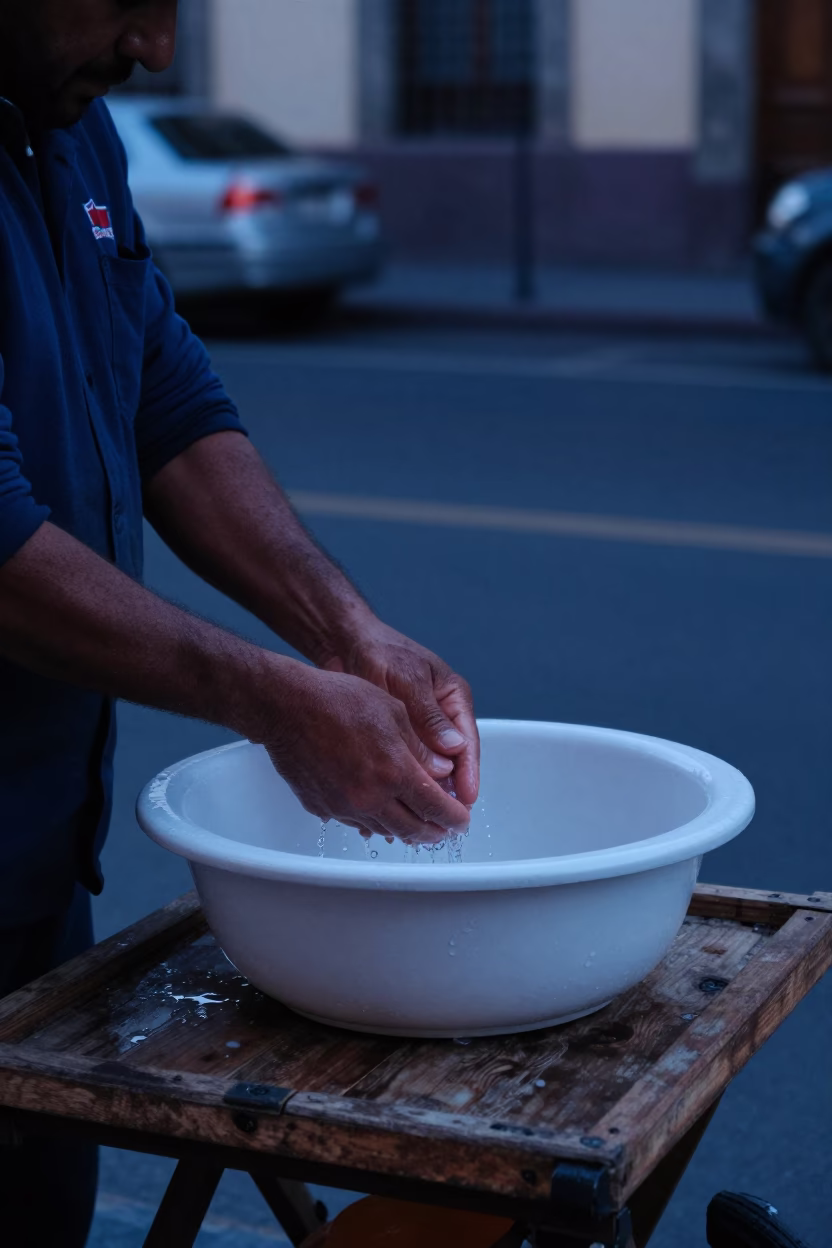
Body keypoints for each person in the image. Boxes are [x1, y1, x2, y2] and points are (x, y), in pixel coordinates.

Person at [0, 2, 479, 1243]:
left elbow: (165, 393)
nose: (155, 49)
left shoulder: (72, 131)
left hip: (32, 860)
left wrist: (347, 632)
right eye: (130, 2)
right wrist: (273, 701)